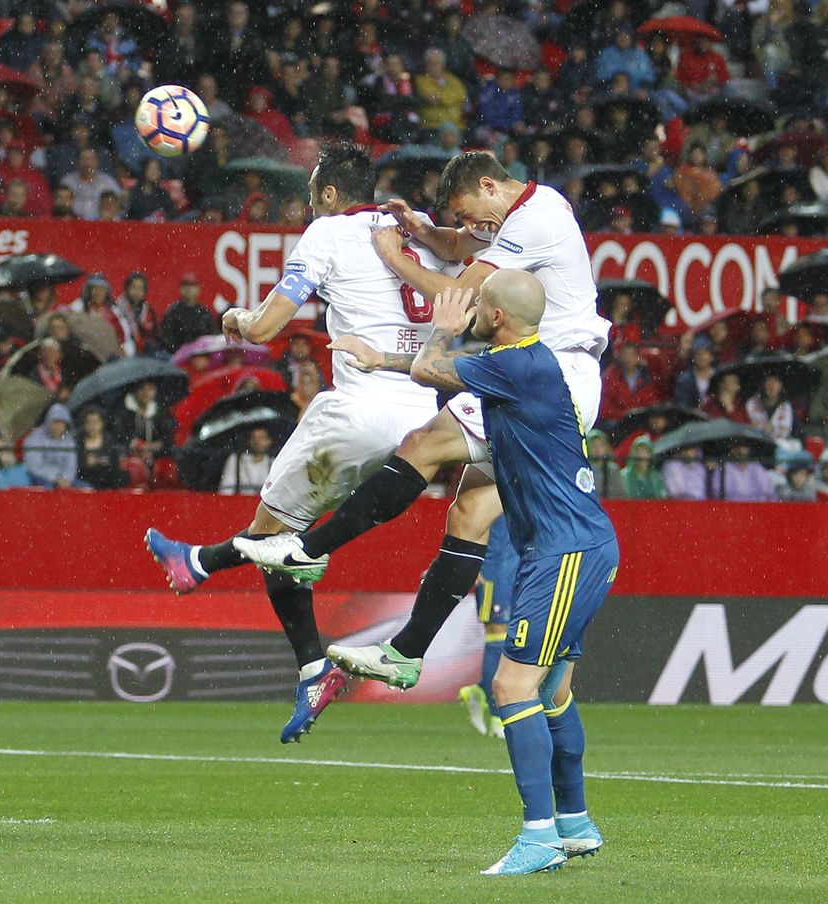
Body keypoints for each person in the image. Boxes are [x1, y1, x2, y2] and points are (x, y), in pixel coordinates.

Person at [236, 151, 610, 698]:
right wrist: (426, 231)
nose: (469, 227)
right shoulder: (528, 211)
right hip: (540, 379)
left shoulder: (536, 219)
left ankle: (309, 550)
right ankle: (406, 654)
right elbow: (460, 248)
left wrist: (396, 255)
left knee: (423, 444)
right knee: (469, 512)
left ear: (489, 186)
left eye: (467, 213)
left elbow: (457, 296)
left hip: (549, 378)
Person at [144, 143, 451, 742]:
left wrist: (235, 318)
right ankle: (285, 640)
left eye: (312, 194)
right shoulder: (412, 231)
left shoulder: (327, 233)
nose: (308, 204)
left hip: (358, 413)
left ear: (330, 195)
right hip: (422, 422)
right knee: (282, 538)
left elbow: (265, 327)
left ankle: (204, 569)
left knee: (272, 534)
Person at [318, 271, 616, 874]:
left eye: (480, 303)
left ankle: (538, 838)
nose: (473, 308)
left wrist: (439, 331)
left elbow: (434, 369)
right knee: (552, 690)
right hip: (578, 544)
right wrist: (380, 357)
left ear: (498, 318)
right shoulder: (523, 364)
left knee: (511, 689)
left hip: (564, 552)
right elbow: (444, 376)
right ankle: (575, 823)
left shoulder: (519, 366)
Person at [460, 514, 515, 740]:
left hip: (521, 566)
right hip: (493, 570)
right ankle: (497, 716)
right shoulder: (492, 482)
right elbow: (469, 516)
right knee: (498, 634)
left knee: (514, 638)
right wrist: (470, 562)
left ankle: (480, 690)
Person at [218, 425, 274, 495]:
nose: (257, 442)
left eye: (262, 438)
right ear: (249, 441)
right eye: (254, 438)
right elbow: (225, 491)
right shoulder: (235, 460)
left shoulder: (274, 464)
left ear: (269, 441)